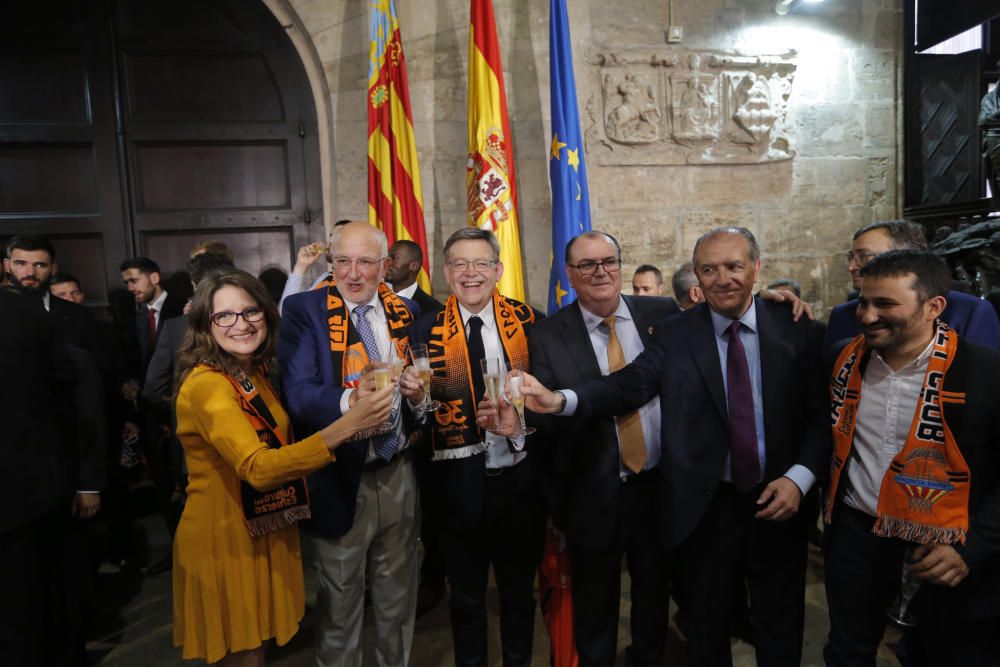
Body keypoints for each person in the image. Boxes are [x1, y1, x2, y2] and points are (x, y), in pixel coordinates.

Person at [517, 227, 829, 667]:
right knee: (706, 628)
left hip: (781, 501)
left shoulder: (799, 329)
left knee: (779, 627)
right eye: (709, 269)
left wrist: (799, 479)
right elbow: (627, 385)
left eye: (734, 266)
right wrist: (559, 400)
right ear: (696, 277)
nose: (723, 279)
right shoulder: (676, 331)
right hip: (704, 509)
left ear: (757, 268)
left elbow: (821, 417)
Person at [172, 269, 394, 665]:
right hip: (224, 538)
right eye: (224, 316)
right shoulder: (208, 384)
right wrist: (348, 426)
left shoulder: (250, 372)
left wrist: (350, 396)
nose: (241, 324)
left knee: (257, 649)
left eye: (250, 311)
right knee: (240, 651)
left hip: (262, 527)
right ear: (204, 325)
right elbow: (257, 467)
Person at [824, 250, 1000, 665]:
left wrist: (972, 548)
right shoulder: (839, 359)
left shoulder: (985, 371)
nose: (867, 315)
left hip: (948, 546)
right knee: (847, 651)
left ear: (933, 307)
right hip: (858, 535)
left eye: (885, 304)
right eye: (863, 301)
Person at [278, 221, 424, 667]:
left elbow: (418, 385)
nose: (354, 273)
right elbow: (299, 393)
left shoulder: (406, 312)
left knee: (398, 601)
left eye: (365, 262)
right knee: (340, 607)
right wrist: (350, 401)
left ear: (386, 267)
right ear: (331, 263)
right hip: (341, 474)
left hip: (398, 470)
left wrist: (420, 397)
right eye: (343, 261)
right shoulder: (305, 310)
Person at [528, 231, 677, 666]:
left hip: (658, 486)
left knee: (654, 595)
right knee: (596, 605)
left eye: (608, 261)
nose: (601, 272)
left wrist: (779, 301)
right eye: (587, 265)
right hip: (593, 492)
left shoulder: (662, 314)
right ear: (570, 275)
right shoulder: (548, 334)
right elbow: (545, 423)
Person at [408, 227, 543, 667]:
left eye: (481, 263)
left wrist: (520, 430)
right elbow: (416, 419)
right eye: (460, 264)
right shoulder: (422, 329)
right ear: (446, 272)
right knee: (465, 599)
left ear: (498, 270)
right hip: (455, 486)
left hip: (520, 483)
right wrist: (414, 401)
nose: (471, 273)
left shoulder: (531, 323)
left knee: (519, 594)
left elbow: (551, 403)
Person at [0, 288, 80, 665]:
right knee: (43, 594)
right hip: (38, 479)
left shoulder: (25, 313)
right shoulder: (30, 312)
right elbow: (64, 382)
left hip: (26, 483)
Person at [824, 220, 1000, 352]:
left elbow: (982, 384)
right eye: (851, 257)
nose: (851, 267)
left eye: (863, 256)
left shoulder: (970, 312)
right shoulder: (842, 316)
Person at [386, 239, 444, 314]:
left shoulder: (435, 310)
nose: (387, 263)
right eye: (387, 258)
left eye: (394, 258)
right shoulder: (374, 298)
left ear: (414, 266)